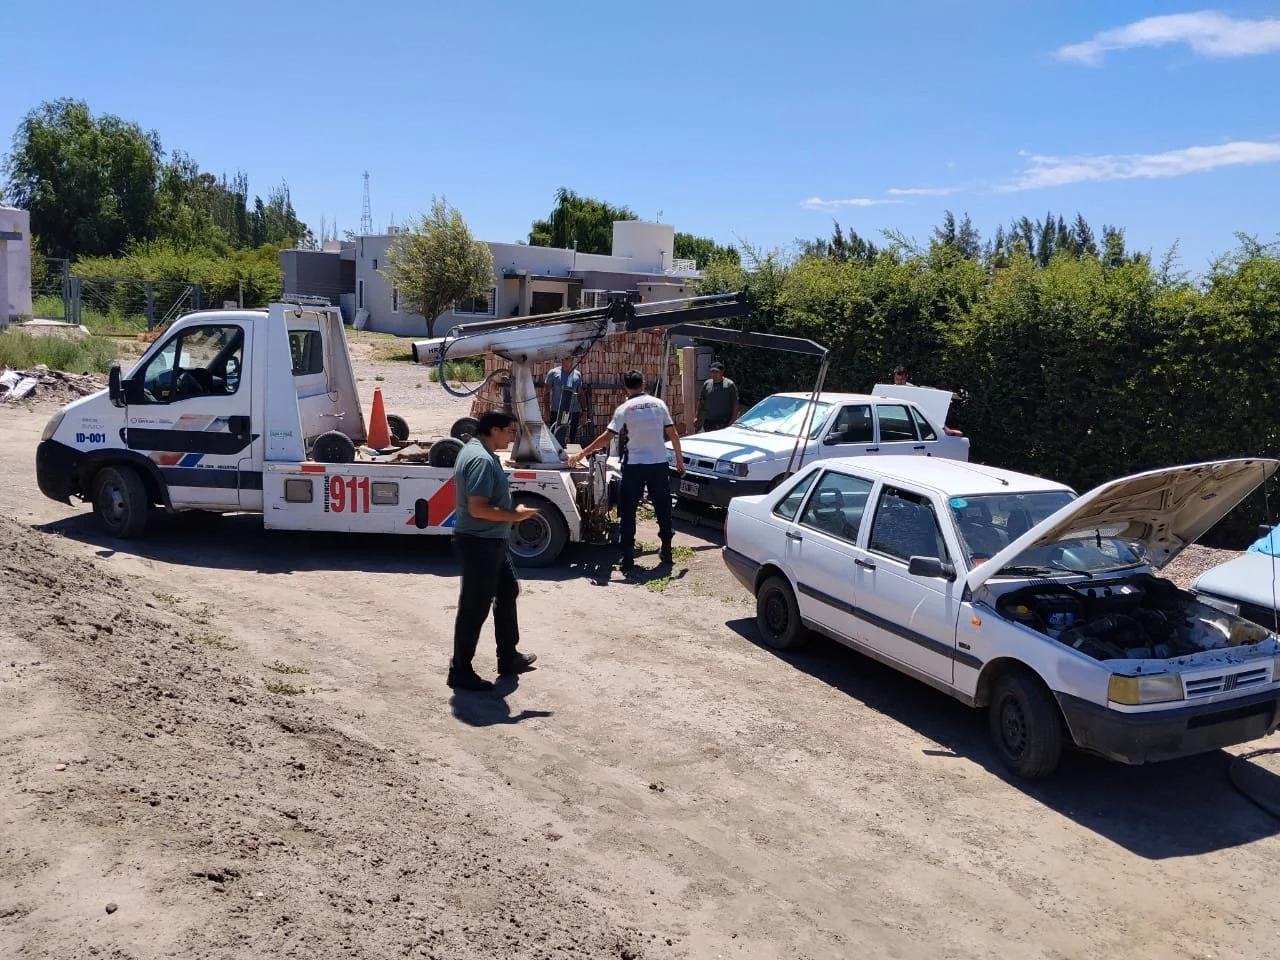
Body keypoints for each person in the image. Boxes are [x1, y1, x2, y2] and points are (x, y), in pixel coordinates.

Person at [448, 410, 541, 691]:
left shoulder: (480, 452)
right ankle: (460, 671)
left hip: (491, 542)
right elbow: (478, 508)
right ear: (494, 430)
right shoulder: (480, 460)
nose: (512, 436)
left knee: (508, 590)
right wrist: (516, 516)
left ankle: (509, 657)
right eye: (510, 431)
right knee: (474, 608)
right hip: (480, 543)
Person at [568, 370, 685, 571]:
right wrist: (680, 462)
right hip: (658, 464)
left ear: (625, 387)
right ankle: (666, 550)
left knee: (629, 511)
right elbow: (673, 434)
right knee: (663, 508)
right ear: (644, 383)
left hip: (634, 466)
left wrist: (582, 454)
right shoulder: (659, 405)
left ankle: (628, 558)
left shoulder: (625, 408)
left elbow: (607, 436)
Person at [543, 357, 582, 446]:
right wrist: (546, 410)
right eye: (565, 358)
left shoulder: (577, 374)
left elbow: (580, 393)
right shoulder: (553, 373)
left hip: (574, 411)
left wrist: (583, 409)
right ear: (562, 359)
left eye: (569, 358)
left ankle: (569, 458)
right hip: (557, 411)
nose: (567, 360)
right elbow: (546, 393)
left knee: (571, 438)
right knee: (556, 436)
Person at [695, 361, 739, 432]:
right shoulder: (707, 384)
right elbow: (701, 401)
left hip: (724, 422)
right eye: (712, 372)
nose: (714, 374)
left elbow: (735, 404)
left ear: (722, 372)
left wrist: (733, 420)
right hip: (709, 421)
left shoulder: (729, 385)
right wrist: (696, 417)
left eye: (716, 372)